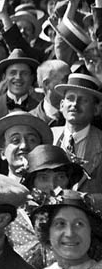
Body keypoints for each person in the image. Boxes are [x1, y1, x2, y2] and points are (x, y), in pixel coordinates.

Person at [23, 189, 102, 269]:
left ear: (91, 232)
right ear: (47, 232)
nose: (70, 233)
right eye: (60, 224)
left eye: (79, 224)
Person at [51, 72, 102, 201]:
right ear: (62, 105)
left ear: (96, 109)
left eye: (83, 100)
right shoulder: (48, 137)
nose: (74, 104)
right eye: (70, 98)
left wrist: (84, 198)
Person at [0, 110, 53, 181]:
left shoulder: (54, 188)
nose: (24, 146)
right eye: (15, 140)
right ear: (3, 153)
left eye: (31, 140)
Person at [0, 49, 40, 123]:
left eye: (24, 73)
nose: (18, 77)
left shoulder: (40, 107)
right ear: (4, 77)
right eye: (13, 73)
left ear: (31, 78)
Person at [30, 60, 70, 127]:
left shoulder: (80, 116)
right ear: (46, 84)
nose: (70, 84)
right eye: (66, 79)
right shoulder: (29, 121)